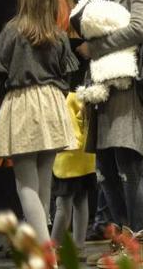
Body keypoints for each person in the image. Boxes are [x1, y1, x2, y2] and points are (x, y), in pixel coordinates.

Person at [76, 0, 143, 266]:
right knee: (107, 171)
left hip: (128, 91)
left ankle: (138, 243)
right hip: (110, 92)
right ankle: (126, 239)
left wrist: (94, 48)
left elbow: (141, 29)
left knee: (130, 168)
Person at [0, 0, 78, 243]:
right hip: (51, 104)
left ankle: (44, 251)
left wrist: (4, 99)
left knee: (25, 184)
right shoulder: (58, 35)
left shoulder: (12, 31)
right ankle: (41, 248)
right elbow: (67, 76)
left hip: (22, 104)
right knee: (43, 184)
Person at [51, 93, 96, 257]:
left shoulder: (64, 96)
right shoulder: (83, 93)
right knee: (81, 200)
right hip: (85, 155)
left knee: (63, 203)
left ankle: (53, 248)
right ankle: (79, 248)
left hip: (68, 155)